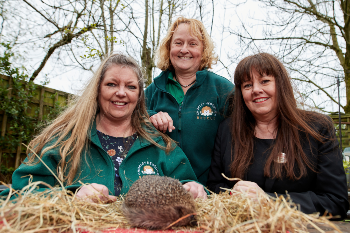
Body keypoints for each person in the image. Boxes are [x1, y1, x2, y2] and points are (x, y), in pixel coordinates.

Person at [1, 53, 207, 201]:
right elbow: (19, 192)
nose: (121, 93)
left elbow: (188, 185)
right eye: (111, 84)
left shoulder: (160, 144)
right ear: (97, 90)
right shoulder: (65, 139)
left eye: (131, 87)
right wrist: (71, 196)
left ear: (139, 96)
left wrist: (193, 190)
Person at [207, 53, 349, 219]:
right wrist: (233, 195)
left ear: (281, 84)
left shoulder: (317, 128)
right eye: (247, 85)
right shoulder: (227, 130)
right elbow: (214, 187)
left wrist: (269, 201)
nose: (256, 90)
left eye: (265, 81)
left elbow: (335, 201)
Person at [145, 17, 234, 186]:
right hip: (161, 190)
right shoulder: (152, 91)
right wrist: (150, 117)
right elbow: (128, 122)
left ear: (203, 50)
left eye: (192, 44)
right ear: (169, 48)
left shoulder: (223, 90)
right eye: (178, 43)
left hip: (211, 191)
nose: (184, 49)